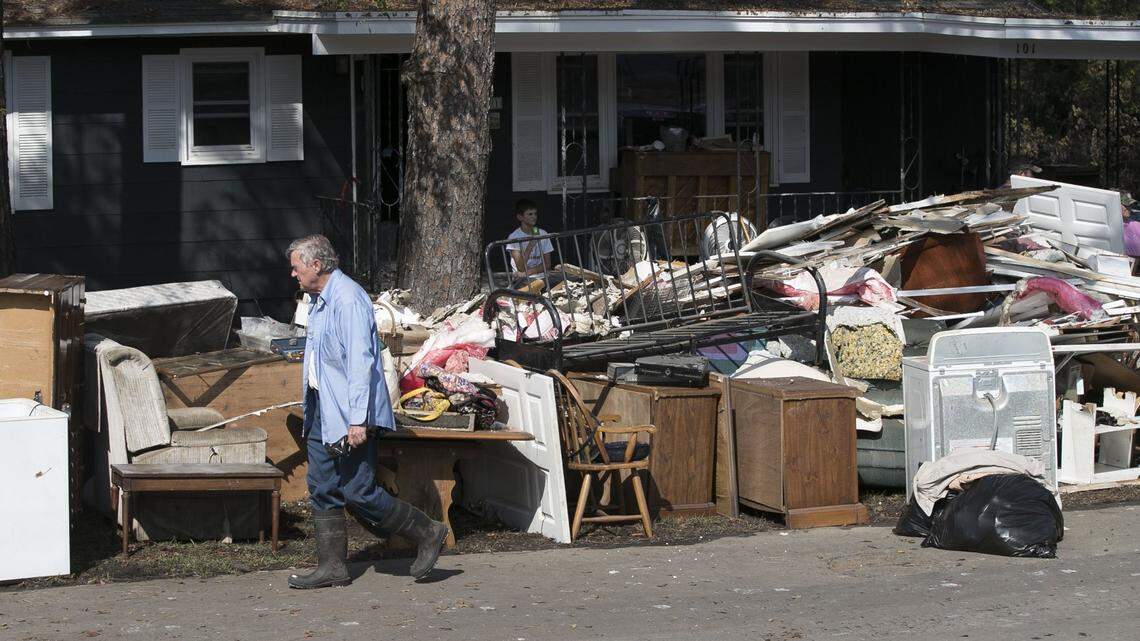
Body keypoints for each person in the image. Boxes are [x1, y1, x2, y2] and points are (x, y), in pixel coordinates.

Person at [285, 234, 448, 589]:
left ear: (316, 264)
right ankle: (332, 566)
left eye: (296, 267)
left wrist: (357, 420)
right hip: (321, 407)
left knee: (358, 491)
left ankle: (428, 531)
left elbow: (361, 363)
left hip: (349, 413)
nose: (293, 274)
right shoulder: (318, 300)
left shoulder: (349, 299)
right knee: (322, 486)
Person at [506, 199, 556, 288]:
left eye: (535, 213)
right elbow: (520, 267)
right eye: (530, 214)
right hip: (522, 280)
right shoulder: (514, 237)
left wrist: (526, 273)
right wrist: (531, 245)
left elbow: (547, 264)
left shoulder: (542, 233)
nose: (534, 217)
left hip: (540, 276)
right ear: (520, 217)